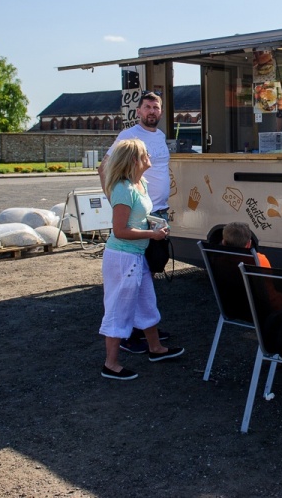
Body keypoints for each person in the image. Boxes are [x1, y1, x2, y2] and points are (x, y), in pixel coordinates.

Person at [98, 139, 183, 380]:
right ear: (135, 160)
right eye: (145, 154)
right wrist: (152, 233)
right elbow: (120, 230)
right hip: (122, 258)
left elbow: (140, 217)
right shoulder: (124, 189)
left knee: (146, 301)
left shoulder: (140, 183)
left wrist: (154, 225)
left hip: (136, 255)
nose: (149, 156)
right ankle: (111, 364)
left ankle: (155, 348)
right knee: (119, 308)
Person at [99, 91, 173, 354]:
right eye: (147, 107)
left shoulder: (160, 137)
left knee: (150, 270)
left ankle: (144, 327)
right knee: (134, 277)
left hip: (157, 212)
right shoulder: (128, 136)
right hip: (137, 216)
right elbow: (104, 167)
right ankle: (130, 332)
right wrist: (118, 202)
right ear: (138, 111)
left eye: (156, 107)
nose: (152, 111)